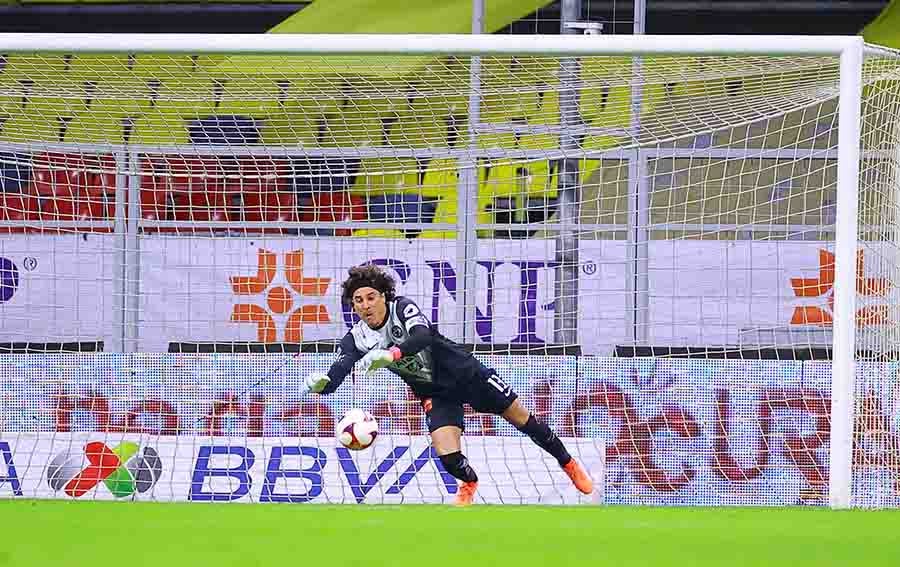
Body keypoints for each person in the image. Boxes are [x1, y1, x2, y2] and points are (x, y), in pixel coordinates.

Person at [303, 264, 594, 506]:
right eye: (358, 301)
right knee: (447, 454)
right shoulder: (356, 338)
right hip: (435, 392)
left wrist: (392, 353)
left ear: (383, 297)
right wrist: (322, 384)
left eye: (371, 297)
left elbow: (422, 336)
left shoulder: (402, 308)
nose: (366, 306)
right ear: (352, 305)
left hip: (467, 374)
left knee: (523, 419)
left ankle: (568, 464)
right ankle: (469, 482)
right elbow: (338, 371)